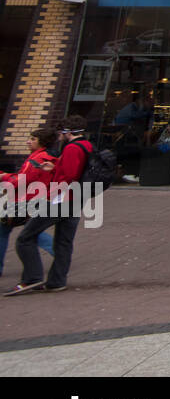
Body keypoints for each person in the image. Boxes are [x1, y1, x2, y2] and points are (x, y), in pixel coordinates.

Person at [6, 117, 93, 295]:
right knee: (63, 242)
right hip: (77, 199)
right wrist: (53, 167)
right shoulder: (87, 146)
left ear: (69, 132)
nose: (60, 137)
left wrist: (49, 194)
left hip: (61, 199)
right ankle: (56, 281)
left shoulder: (72, 148)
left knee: (25, 238)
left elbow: (69, 175)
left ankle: (32, 278)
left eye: (62, 133)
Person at [0, 129, 58, 277]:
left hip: (26, 199)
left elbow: (22, 180)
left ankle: (59, 254)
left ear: (41, 141)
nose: (28, 141)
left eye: (32, 139)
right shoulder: (47, 156)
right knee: (32, 230)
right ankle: (60, 254)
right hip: (39, 198)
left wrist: (4, 178)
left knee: (3, 230)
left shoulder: (36, 159)